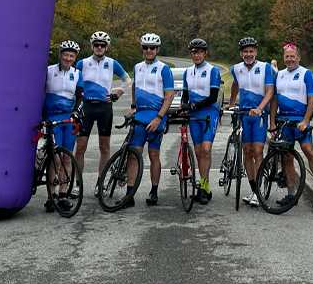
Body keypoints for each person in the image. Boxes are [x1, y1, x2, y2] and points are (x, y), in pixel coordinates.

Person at [268, 43, 313, 200]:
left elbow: (312, 99)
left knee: (309, 150)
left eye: (292, 56)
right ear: (283, 58)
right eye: (286, 56)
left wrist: (305, 120)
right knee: (287, 157)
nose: (289, 59)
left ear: (298, 57)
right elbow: (274, 101)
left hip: (300, 120)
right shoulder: (279, 75)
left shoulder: (306, 73)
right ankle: (291, 194)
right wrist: (272, 123)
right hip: (284, 121)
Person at [74, 31, 130, 189]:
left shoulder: (112, 63)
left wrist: (117, 94)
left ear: (106, 47)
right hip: (86, 107)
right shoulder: (83, 63)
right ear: (92, 46)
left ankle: (101, 182)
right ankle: (78, 184)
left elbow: (127, 80)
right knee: (80, 147)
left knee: (104, 148)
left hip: (104, 107)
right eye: (96, 45)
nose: (99, 48)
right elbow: (75, 84)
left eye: (102, 45)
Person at [227, 36, 275, 207]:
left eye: (251, 51)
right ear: (241, 53)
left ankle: (260, 191)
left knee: (258, 151)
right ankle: (254, 190)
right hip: (244, 116)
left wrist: (260, 108)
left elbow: (270, 91)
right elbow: (235, 85)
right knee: (247, 152)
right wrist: (232, 103)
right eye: (245, 51)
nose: (248, 54)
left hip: (259, 116)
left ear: (256, 52)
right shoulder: (236, 69)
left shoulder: (265, 68)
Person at [128, 32, 175, 207]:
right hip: (140, 115)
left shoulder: (164, 68)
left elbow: (169, 96)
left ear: (157, 49)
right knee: (133, 155)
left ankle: (154, 192)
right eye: (145, 47)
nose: (148, 50)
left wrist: (159, 118)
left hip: (156, 115)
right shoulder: (137, 67)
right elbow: (134, 86)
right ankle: (129, 194)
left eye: (152, 48)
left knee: (153, 154)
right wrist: (133, 106)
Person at [181, 38, 222, 205]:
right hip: (193, 115)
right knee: (198, 152)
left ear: (205, 53)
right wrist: (184, 107)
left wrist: (194, 105)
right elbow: (185, 95)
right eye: (193, 52)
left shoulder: (213, 70)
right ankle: (203, 186)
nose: (195, 55)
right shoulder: (187, 72)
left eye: (198, 52)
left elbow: (213, 96)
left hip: (209, 112)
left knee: (206, 149)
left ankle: (204, 187)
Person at [42, 40, 81, 212]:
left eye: (72, 56)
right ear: (60, 54)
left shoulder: (77, 73)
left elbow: (80, 97)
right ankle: (51, 195)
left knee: (67, 157)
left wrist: (75, 114)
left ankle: (63, 194)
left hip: (68, 120)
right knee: (55, 158)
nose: (68, 58)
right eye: (66, 54)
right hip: (52, 118)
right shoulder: (49, 71)